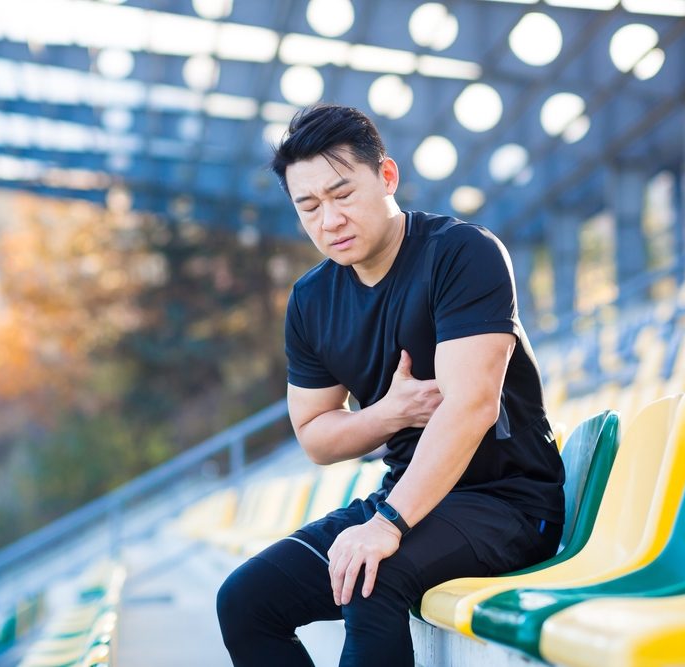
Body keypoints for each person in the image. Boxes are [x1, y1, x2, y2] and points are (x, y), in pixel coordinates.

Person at [216, 104, 565, 667]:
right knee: (246, 601)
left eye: (343, 194)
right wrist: (390, 414)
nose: (330, 220)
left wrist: (388, 524)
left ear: (386, 176)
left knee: (370, 575)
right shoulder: (310, 301)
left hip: (506, 502)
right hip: (405, 497)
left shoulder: (462, 253)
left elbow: (472, 406)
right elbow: (315, 436)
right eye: (309, 207)